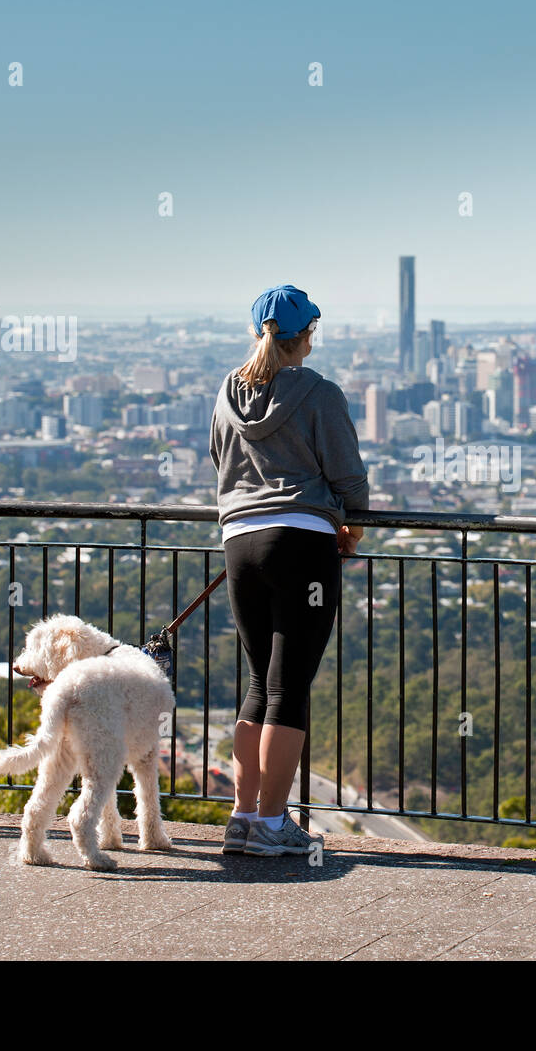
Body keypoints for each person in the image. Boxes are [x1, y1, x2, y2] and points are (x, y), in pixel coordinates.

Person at [208, 284, 368, 855]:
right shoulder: (319, 393)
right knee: (289, 686)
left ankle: (243, 815)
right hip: (301, 544)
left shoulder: (227, 392)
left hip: (240, 543)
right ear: (306, 336)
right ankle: (274, 825)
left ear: (258, 332)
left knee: (258, 683)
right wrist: (352, 527)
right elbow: (347, 474)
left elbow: (218, 462)